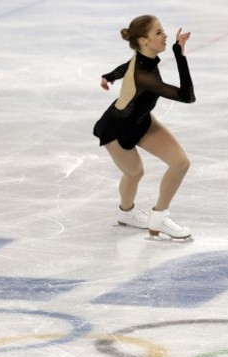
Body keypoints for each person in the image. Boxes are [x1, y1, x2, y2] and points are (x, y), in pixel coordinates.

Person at [93, 15, 196, 240]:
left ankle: (159, 217)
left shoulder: (141, 59)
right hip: (116, 128)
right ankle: (126, 213)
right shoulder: (144, 75)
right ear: (144, 41)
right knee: (135, 172)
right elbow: (187, 96)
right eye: (158, 32)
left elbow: (125, 67)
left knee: (180, 163)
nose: (165, 35)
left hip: (141, 121)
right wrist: (180, 55)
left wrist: (109, 76)